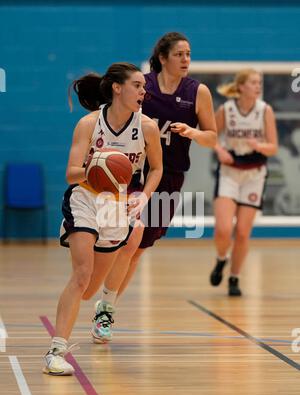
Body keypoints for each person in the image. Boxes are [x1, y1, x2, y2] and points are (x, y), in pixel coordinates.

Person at [86, 31, 217, 343]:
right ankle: (100, 299)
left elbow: (212, 136)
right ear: (162, 58)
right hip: (132, 173)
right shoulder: (141, 85)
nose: (186, 60)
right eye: (179, 54)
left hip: (168, 177)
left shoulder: (198, 92)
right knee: (129, 240)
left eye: (188, 54)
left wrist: (194, 134)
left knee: (138, 249)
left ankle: (106, 307)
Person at [43, 62, 162, 375]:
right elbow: (71, 173)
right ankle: (56, 351)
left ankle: (102, 308)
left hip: (117, 206)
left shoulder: (147, 127)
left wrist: (144, 194)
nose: (143, 91)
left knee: (89, 291)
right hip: (85, 197)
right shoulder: (89, 124)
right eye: (137, 85)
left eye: (144, 87)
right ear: (117, 88)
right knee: (81, 274)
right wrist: (101, 167)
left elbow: (157, 169)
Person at [210, 68, 278, 296]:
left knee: (241, 232)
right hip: (229, 170)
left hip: (254, 173)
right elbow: (210, 137)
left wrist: (259, 145)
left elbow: (273, 146)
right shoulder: (226, 110)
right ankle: (221, 259)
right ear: (240, 87)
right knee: (223, 229)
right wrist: (219, 150)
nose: (258, 86)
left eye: (259, 83)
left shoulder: (264, 110)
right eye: (253, 83)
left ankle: (234, 278)